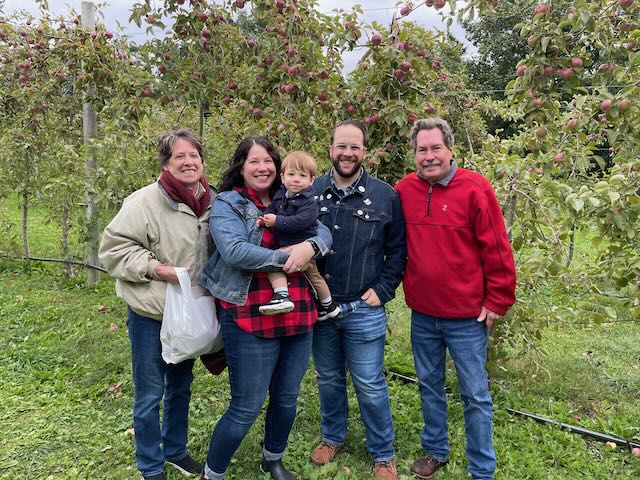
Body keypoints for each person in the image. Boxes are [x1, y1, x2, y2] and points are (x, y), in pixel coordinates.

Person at [199, 137, 333, 480]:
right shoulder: (228, 202)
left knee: (286, 398)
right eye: (254, 162)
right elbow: (234, 251)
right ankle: (212, 474)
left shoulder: (290, 197)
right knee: (246, 406)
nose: (262, 168)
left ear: (278, 166)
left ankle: (273, 459)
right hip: (249, 313)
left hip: (298, 311)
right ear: (241, 167)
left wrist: (312, 246)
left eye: (268, 161)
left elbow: (323, 232)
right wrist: (287, 257)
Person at [395, 117, 516, 480]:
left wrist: (497, 299)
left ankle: (482, 468)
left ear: (450, 149)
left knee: (475, 394)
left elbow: (496, 247)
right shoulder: (405, 191)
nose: (429, 156)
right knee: (429, 385)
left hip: (466, 316)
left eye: (436, 148)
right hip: (423, 313)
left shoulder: (475, 188)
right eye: (422, 150)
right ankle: (436, 450)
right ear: (414, 154)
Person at [99, 129, 209, 480]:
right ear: (166, 163)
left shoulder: (212, 202)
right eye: (180, 156)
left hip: (188, 313)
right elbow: (114, 249)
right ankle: (150, 464)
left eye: (193, 156)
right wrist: (155, 269)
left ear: (202, 161)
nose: (188, 162)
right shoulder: (144, 202)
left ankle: (175, 450)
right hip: (151, 312)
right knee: (150, 392)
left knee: (181, 386)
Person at [309, 120, 406, 480]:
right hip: (321, 308)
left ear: (365, 151)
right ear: (330, 149)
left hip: (362, 308)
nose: (347, 153)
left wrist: (383, 289)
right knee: (329, 378)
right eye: (341, 146)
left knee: (369, 383)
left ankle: (383, 454)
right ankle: (332, 436)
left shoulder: (384, 196)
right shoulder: (311, 192)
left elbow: (398, 250)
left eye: (354, 147)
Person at [257, 150, 340, 320]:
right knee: (313, 276)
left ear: (311, 180)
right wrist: (264, 218)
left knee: (272, 263)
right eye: (291, 174)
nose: (296, 179)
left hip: (301, 245)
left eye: (302, 175)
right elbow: (272, 209)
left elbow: (301, 222)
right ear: (282, 177)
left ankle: (282, 295)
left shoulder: (309, 202)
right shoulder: (281, 196)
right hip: (289, 243)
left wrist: (277, 221)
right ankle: (328, 306)